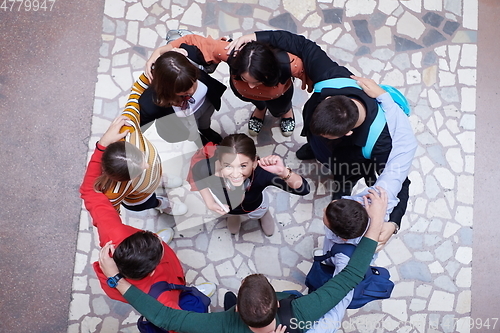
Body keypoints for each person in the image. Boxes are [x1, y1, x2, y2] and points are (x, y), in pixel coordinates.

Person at [97, 186, 387, 333]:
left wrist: (116, 278)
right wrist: (375, 223)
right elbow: (350, 276)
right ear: (276, 302)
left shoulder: (221, 325)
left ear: (237, 311)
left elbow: (164, 316)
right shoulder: (303, 313)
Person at [228, 31, 417, 247]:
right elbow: (302, 45)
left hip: (348, 165)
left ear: (346, 133)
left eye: (325, 135)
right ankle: (314, 148)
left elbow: (400, 181)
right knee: (315, 146)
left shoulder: (385, 143)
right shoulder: (333, 78)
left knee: (342, 188)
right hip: (326, 149)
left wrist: (393, 222)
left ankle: (340, 187)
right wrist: (255, 36)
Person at [81, 116, 215, 317]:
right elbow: (176, 323)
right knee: (189, 300)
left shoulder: (113, 234)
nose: (157, 240)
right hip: (172, 289)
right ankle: (193, 295)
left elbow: (89, 191)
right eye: (158, 246)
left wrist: (103, 145)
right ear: (152, 270)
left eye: (151, 238)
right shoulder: (160, 300)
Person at [146, 33, 313, 137]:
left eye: (258, 82)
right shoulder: (229, 51)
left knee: (280, 107)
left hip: (279, 95)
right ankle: (260, 109)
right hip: (246, 96)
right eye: (245, 79)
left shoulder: (291, 64)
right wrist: (160, 51)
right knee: (256, 100)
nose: (252, 86)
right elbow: (195, 41)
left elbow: (314, 70)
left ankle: (286, 113)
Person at [94, 76, 188, 215]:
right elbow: (111, 214)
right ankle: (162, 204)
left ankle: (161, 179)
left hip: (153, 176)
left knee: (153, 171)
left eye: (142, 158)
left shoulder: (127, 127)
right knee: (150, 201)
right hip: (141, 196)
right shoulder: (112, 193)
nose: (146, 165)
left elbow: (135, 93)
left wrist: (153, 67)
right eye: (137, 173)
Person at [190, 133, 310, 236]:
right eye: (228, 165)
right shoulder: (207, 168)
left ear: (254, 163)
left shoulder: (262, 173)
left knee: (260, 212)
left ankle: (263, 214)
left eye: (243, 166)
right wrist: (209, 202)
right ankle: (234, 217)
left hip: (256, 206)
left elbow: (303, 189)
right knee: (232, 214)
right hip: (229, 209)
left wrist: (283, 172)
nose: (235, 174)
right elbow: (196, 174)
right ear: (220, 162)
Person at [139, 49, 227, 145]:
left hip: (206, 104)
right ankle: (198, 139)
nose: (192, 91)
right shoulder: (151, 102)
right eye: (184, 90)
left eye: (193, 82)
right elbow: (137, 126)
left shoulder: (192, 57)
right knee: (192, 134)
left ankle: (206, 130)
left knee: (205, 121)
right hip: (183, 122)